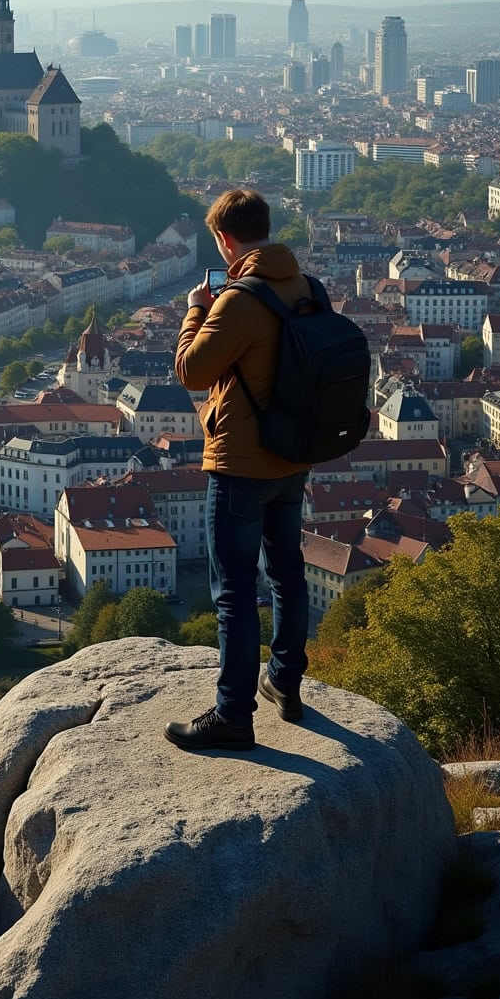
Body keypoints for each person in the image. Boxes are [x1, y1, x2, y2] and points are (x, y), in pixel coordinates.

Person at [165, 189, 310, 752]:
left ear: (224, 240)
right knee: (287, 573)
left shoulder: (238, 300)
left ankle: (232, 715)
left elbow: (191, 371)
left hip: (241, 464)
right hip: (293, 457)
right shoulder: (304, 287)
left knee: (234, 590)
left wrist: (196, 309)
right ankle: (286, 683)